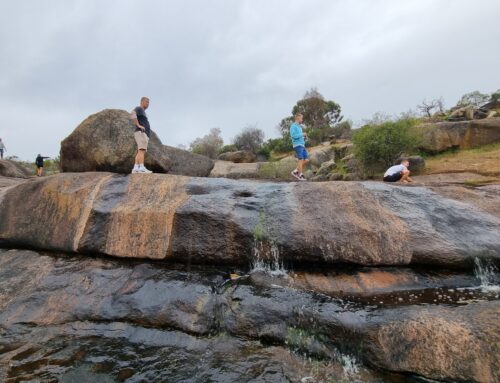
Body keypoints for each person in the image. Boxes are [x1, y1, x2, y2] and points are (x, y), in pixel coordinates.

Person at [130, 97, 153, 174]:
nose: (148, 104)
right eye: (146, 102)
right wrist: (138, 125)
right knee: (142, 150)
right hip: (141, 132)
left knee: (140, 151)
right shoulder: (139, 108)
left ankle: (136, 167)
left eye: (148, 102)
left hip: (142, 133)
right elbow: (132, 113)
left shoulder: (142, 111)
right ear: (142, 101)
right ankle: (142, 167)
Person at [290, 113, 309, 181]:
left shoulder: (299, 127)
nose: (302, 119)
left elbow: (300, 136)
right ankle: (300, 175)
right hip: (297, 145)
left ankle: (295, 171)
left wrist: (304, 137)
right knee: (300, 160)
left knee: (306, 160)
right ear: (297, 118)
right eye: (301, 118)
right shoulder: (293, 126)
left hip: (302, 145)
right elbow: (293, 136)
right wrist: (302, 134)